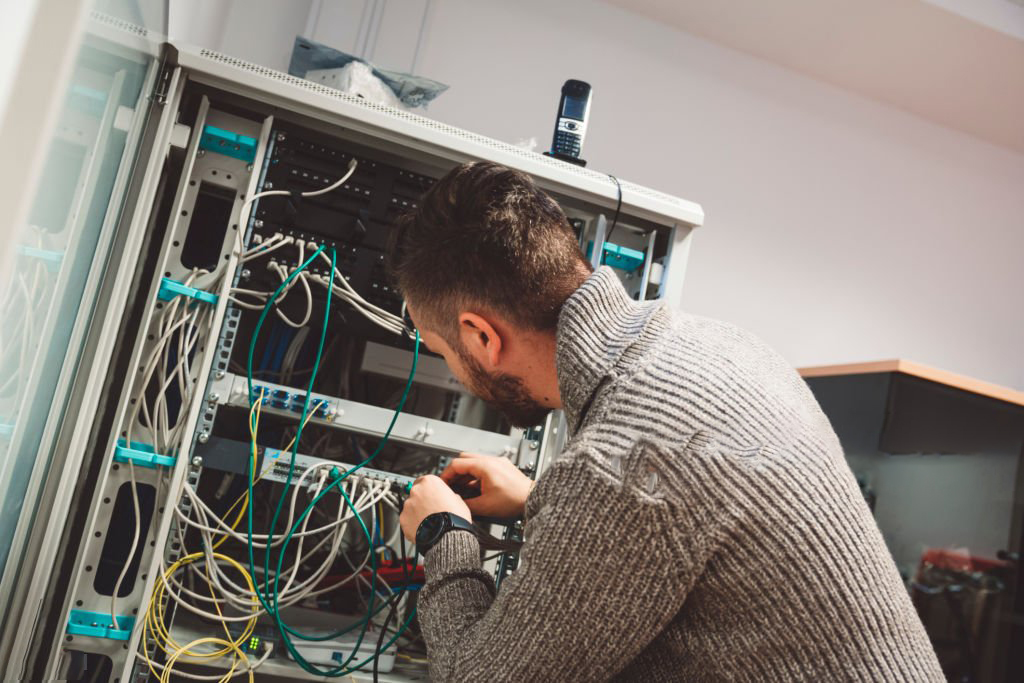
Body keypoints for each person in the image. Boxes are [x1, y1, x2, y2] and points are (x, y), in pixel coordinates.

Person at [388, 161, 942, 682]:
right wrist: (541, 503)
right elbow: (687, 537)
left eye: (443, 352)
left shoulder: (619, 465)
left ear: (481, 336)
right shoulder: (724, 346)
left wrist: (446, 536)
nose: (456, 374)